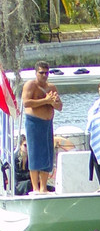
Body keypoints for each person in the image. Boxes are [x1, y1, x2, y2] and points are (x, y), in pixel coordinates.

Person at [20, 60, 62, 194]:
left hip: (47, 123)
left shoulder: (52, 87)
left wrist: (54, 102)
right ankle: (35, 188)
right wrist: (45, 100)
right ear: (36, 73)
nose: (44, 75)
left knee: (47, 155)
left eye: (46, 73)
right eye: (41, 73)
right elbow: (26, 102)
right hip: (34, 123)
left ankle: (43, 187)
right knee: (35, 154)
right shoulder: (31, 85)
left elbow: (59, 107)